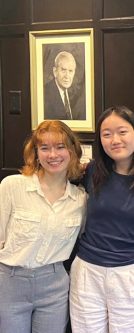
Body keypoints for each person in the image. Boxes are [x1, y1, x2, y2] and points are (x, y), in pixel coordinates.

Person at [69, 106, 134, 332]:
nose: (115, 140)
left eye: (122, 131)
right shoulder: (91, 171)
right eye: (106, 134)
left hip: (129, 273)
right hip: (87, 271)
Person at [0, 120, 87, 332]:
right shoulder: (12, 186)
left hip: (54, 284)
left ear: (73, 151)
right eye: (44, 148)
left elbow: (92, 237)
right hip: (11, 283)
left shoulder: (80, 199)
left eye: (60, 147)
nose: (52, 155)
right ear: (36, 153)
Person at [44, 51, 86, 120]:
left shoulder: (74, 93)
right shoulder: (44, 94)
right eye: (63, 70)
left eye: (70, 71)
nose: (67, 76)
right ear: (55, 72)